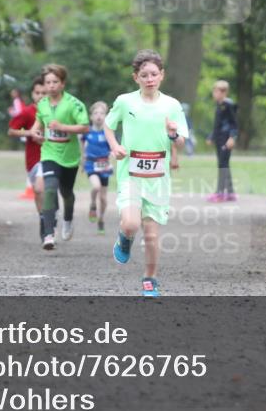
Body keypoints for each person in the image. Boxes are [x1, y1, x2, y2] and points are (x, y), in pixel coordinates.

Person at [105, 49, 189, 298]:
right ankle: (125, 238)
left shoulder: (172, 105)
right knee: (131, 223)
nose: (150, 79)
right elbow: (109, 127)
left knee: (151, 234)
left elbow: (181, 141)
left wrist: (173, 134)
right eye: (144, 75)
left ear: (162, 75)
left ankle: (150, 279)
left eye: (154, 74)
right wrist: (115, 147)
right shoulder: (125, 101)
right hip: (130, 174)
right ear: (136, 78)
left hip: (158, 179)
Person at [30, 64, 89, 250]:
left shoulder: (74, 104)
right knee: (49, 189)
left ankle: (68, 218)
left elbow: (84, 127)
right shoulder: (42, 104)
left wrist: (63, 127)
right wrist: (35, 133)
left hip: (70, 157)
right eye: (48, 82)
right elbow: (38, 124)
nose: (51, 86)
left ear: (62, 84)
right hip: (49, 153)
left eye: (55, 82)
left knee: (66, 193)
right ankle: (48, 234)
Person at [8, 76, 47, 233]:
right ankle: (44, 217)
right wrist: (30, 132)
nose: (40, 96)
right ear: (32, 94)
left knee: (42, 188)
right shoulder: (27, 112)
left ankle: (49, 219)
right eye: (37, 93)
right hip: (33, 159)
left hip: (52, 157)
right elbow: (10, 131)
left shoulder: (56, 111)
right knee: (38, 191)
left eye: (43, 93)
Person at [81, 101, 113, 234]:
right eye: (96, 113)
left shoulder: (108, 132)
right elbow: (81, 144)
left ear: (106, 116)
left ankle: (101, 219)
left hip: (104, 165)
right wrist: (82, 159)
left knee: (104, 198)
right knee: (96, 187)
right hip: (91, 164)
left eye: (102, 113)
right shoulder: (87, 131)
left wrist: (112, 155)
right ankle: (93, 204)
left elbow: (113, 148)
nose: (99, 116)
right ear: (91, 116)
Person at [206, 79, 238, 203]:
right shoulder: (219, 105)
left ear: (223, 92)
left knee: (222, 165)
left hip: (226, 140)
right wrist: (211, 136)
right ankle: (230, 193)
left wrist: (232, 137)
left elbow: (234, 124)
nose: (214, 93)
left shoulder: (229, 104)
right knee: (224, 164)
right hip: (219, 139)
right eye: (214, 91)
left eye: (216, 91)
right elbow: (218, 124)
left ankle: (220, 193)